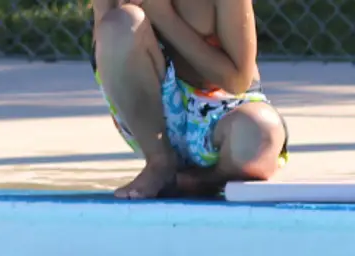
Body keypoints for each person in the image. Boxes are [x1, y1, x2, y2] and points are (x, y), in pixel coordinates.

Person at [91, 0, 290, 199]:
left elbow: (238, 80)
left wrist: (163, 16)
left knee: (261, 133)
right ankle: (159, 162)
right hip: (153, 120)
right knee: (121, 23)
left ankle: (207, 179)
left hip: (221, 110)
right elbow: (106, 48)